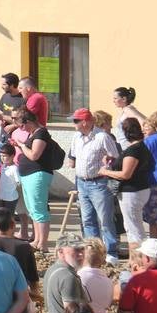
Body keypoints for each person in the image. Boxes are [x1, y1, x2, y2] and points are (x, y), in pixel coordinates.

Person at [68, 107, 122, 263]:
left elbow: (116, 158)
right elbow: (74, 158)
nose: (74, 124)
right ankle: (93, 252)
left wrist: (108, 162)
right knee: (87, 219)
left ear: (85, 122)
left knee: (105, 219)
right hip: (82, 182)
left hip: (98, 182)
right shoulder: (76, 137)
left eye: (76, 121)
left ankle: (111, 251)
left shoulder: (102, 137)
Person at [104, 117, 156, 254]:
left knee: (133, 228)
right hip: (141, 189)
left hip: (132, 192)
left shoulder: (134, 149)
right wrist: (115, 161)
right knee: (134, 226)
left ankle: (140, 258)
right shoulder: (142, 147)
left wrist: (105, 171)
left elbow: (126, 174)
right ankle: (140, 258)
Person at [12, 108, 55, 251]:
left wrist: (23, 145)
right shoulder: (33, 134)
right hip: (28, 175)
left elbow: (34, 155)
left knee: (39, 209)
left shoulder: (41, 133)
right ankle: (36, 240)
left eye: (22, 126)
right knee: (32, 209)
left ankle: (42, 243)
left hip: (37, 175)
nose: (21, 129)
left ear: (29, 121)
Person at [44, 235, 88, 313]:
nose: (81, 254)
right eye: (76, 250)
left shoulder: (51, 269)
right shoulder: (68, 276)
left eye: (82, 249)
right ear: (60, 251)